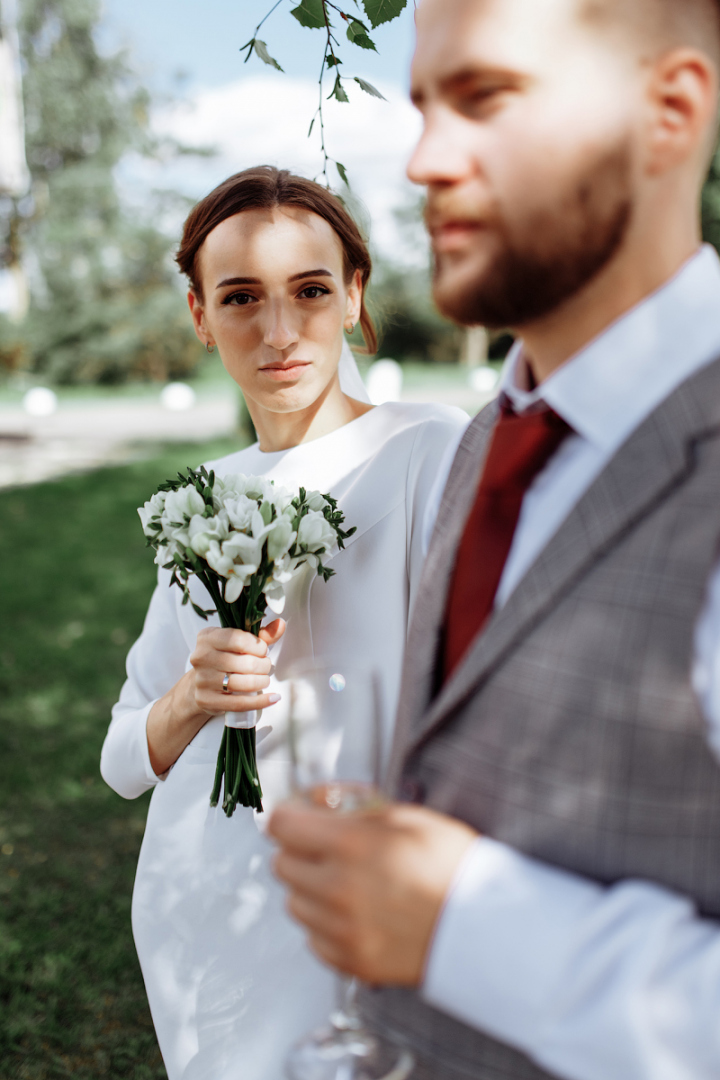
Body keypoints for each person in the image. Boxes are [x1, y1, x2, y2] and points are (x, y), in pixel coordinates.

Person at [268, 1, 720, 1078]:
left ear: (669, 112)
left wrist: (464, 928)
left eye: (488, 98)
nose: (423, 159)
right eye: (426, 105)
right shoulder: (487, 440)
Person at [99, 166, 467, 1080]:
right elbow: (120, 762)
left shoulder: (429, 450)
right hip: (200, 907)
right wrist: (192, 694)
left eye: (309, 290)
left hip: (361, 907)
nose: (277, 331)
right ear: (198, 315)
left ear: (353, 295)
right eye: (239, 298)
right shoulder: (202, 498)